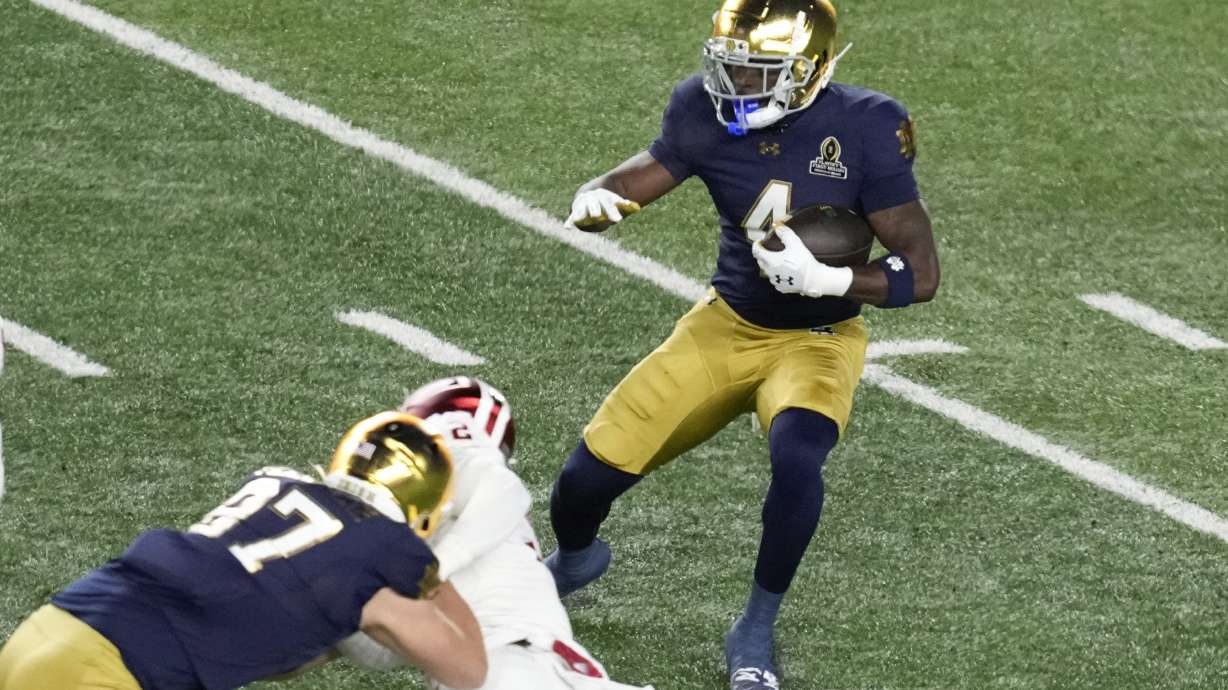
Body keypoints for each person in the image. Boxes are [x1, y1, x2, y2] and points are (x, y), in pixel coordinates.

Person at [544, 2, 941, 689]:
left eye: (758, 71)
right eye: (730, 67)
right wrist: (597, 198)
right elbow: (638, 178)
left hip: (818, 337)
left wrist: (832, 279)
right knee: (584, 479)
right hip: (726, 324)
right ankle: (575, 561)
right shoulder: (700, 108)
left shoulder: (867, 125)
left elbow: (922, 272)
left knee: (797, 462)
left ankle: (754, 630)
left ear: (809, 70)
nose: (737, 84)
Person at [0, 411, 488, 690]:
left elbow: (264, 642)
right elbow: (468, 669)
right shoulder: (374, 554)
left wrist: (332, 643)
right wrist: (440, 573)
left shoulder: (276, 488)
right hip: (108, 674)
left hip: (48, 631)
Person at [337, 377, 654, 690]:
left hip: (515, 660)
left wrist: (430, 570)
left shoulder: (441, 458)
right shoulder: (441, 479)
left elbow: (504, 491)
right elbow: (381, 650)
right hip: (525, 662)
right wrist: (346, 613)